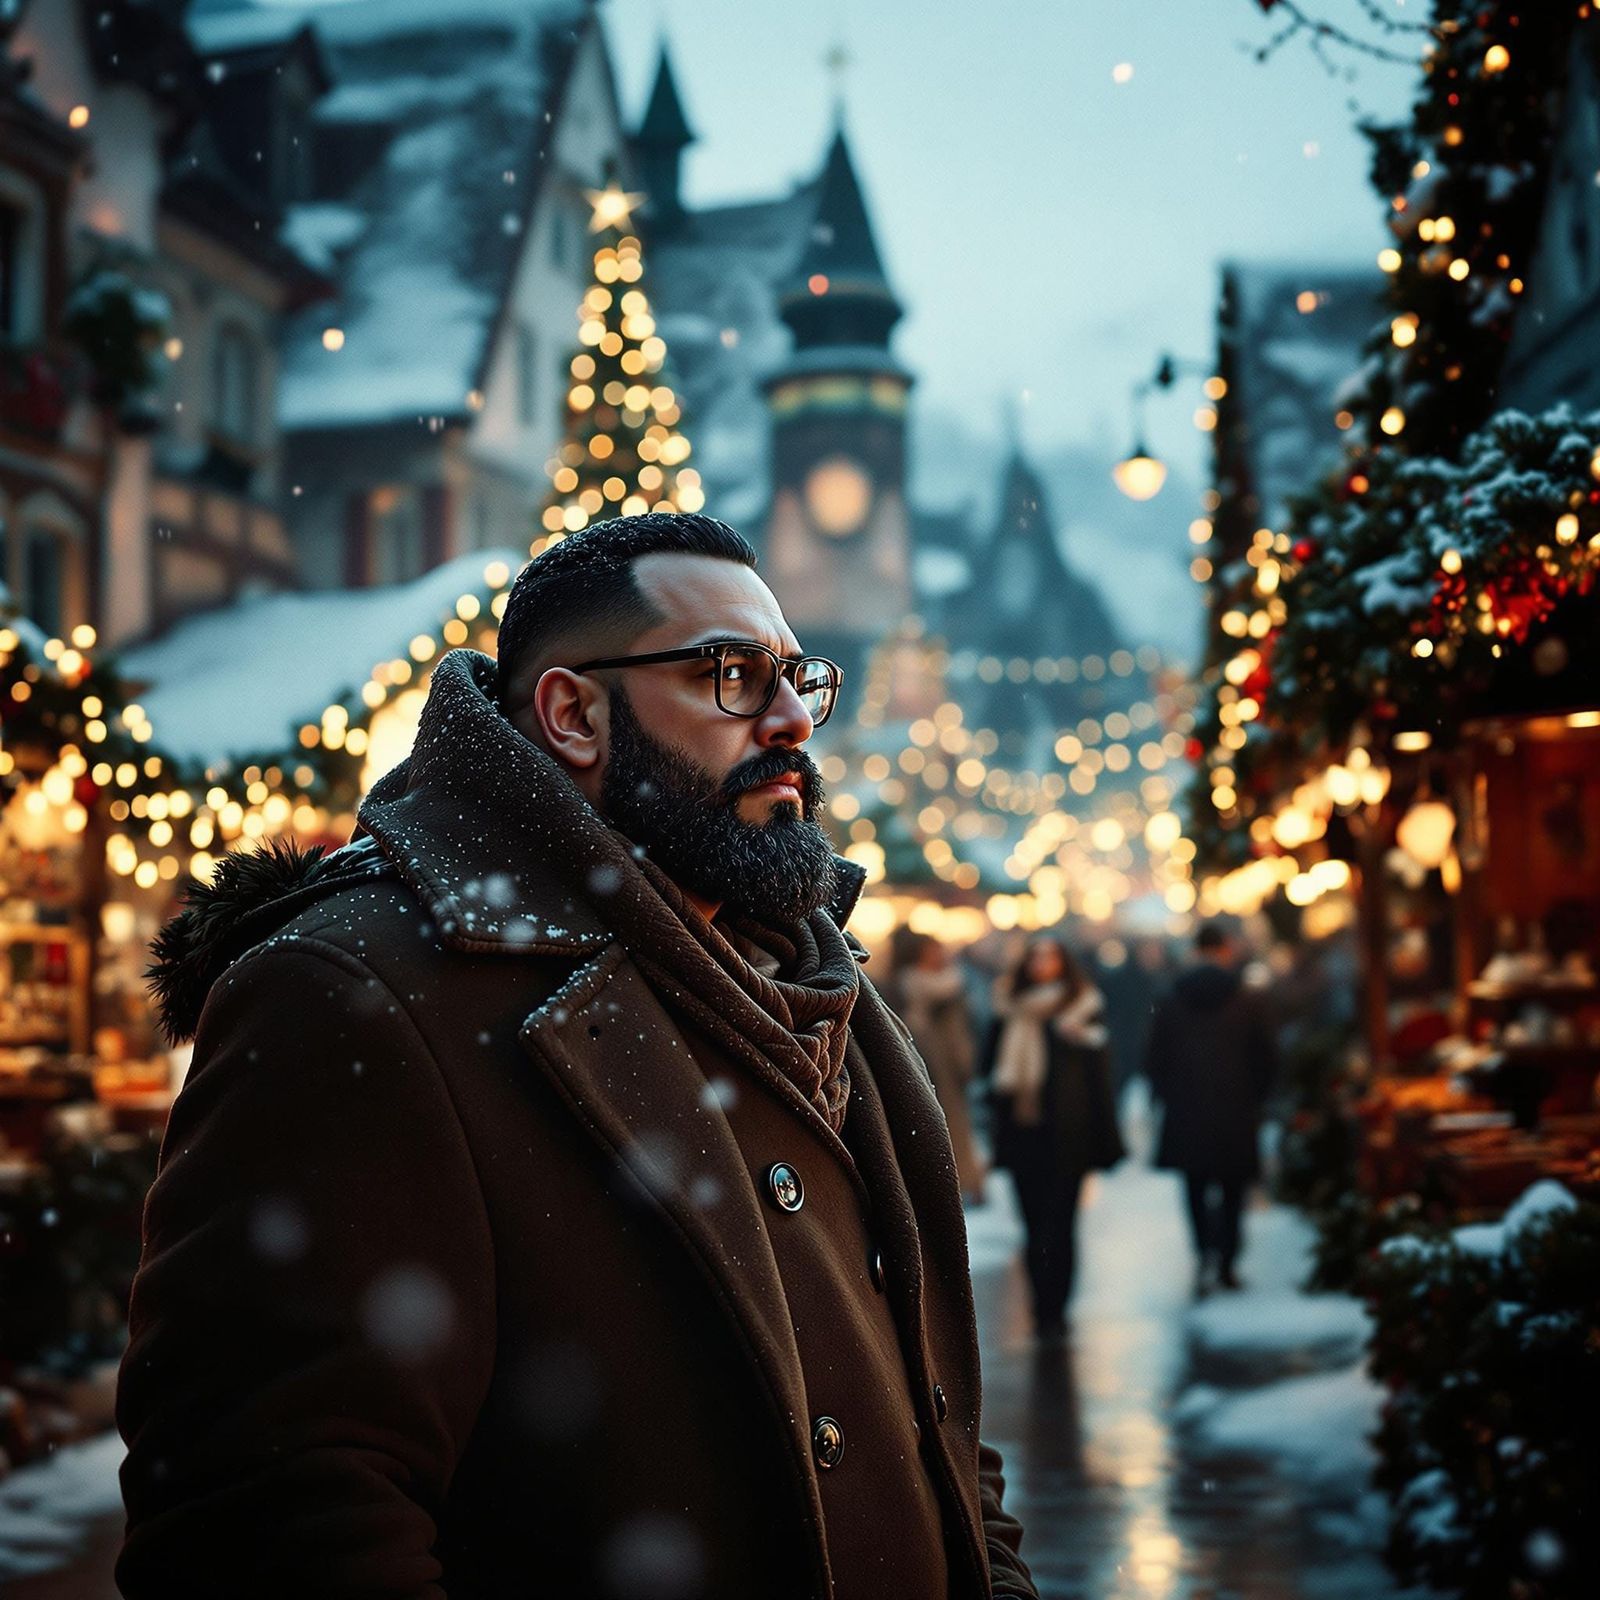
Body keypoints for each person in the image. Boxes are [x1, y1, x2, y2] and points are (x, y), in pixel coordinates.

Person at [118, 514, 1037, 1600]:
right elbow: (271, 1518)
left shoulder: (824, 983)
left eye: (796, 676)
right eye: (731, 674)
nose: (791, 719)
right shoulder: (351, 993)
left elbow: (940, 1431)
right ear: (573, 714)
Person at [985, 935, 1124, 1340]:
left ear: (1065, 963)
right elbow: (989, 1072)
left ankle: (1056, 1308)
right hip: (1022, 1135)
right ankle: (1040, 1304)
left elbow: (1100, 1080)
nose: (1043, 963)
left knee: (1060, 1224)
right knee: (1031, 1226)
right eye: (1036, 956)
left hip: (1069, 1136)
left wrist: (1106, 1138)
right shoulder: (1008, 1009)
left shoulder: (1083, 1011)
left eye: (1051, 957)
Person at [1144, 921, 1278, 1295]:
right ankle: (1228, 1260)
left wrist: (1166, 1097)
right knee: (1233, 1187)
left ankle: (1204, 1251)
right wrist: (1256, 1097)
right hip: (1236, 1106)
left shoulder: (1171, 999)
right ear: (1225, 949)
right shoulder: (1248, 999)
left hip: (1187, 1109)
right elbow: (1266, 1056)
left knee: (1194, 1185)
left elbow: (1155, 1058)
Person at [883, 929, 985, 1204]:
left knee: (956, 1125)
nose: (938, 955)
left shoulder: (953, 984)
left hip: (949, 1066)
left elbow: (964, 1029)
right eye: (931, 950)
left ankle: (966, 1181)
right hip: (919, 1060)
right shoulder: (902, 985)